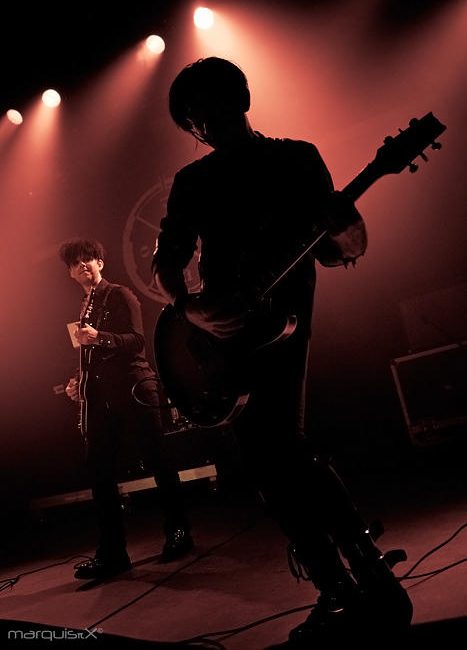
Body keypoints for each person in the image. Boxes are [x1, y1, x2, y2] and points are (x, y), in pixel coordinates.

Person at [151, 57, 413, 642]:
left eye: (209, 109)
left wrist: (345, 223)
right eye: (192, 120)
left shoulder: (296, 157)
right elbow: (167, 261)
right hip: (220, 334)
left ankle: (355, 571)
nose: (203, 125)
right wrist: (190, 307)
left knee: (283, 447)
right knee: (268, 460)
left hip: (286, 325)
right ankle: (341, 579)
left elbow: (340, 250)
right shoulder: (194, 182)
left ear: (239, 98)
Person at [60, 238, 193, 580]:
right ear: (71, 273)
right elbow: (90, 358)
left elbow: (136, 341)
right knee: (100, 470)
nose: (83, 266)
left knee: (158, 460)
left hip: (135, 387)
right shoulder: (82, 307)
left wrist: (101, 337)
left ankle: (179, 532)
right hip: (103, 396)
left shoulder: (120, 295)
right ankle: (112, 553)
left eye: (89, 259)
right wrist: (78, 381)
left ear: (100, 263)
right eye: (76, 263)